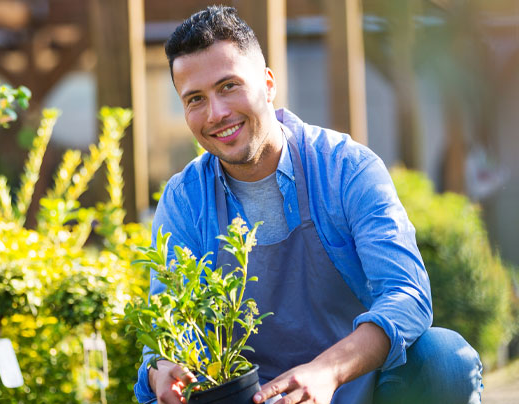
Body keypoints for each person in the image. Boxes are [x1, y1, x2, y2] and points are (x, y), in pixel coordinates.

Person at [134, 6, 483, 404]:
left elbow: (407, 295)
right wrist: (163, 370)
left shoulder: (346, 168)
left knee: (445, 360)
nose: (217, 114)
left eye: (229, 86)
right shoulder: (183, 201)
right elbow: (168, 327)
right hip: (253, 398)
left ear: (268, 84)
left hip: (360, 390)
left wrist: (326, 372)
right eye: (195, 99)